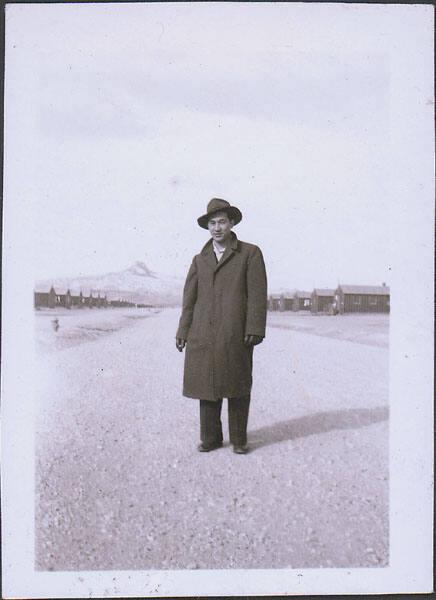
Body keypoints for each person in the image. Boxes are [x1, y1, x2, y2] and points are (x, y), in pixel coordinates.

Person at [176, 198, 267, 454]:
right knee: (207, 387)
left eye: (222, 222)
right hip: (202, 333)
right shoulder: (199, 260)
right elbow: (189, 300)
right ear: (208, 227)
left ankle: (239, 440)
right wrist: (183, 331)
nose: (217, 228)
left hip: (235, 332)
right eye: (212, 223)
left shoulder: (250, 253)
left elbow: (257, 295)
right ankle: (211, 439)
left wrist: (255, 328)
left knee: (237, 385)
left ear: (232, 223)